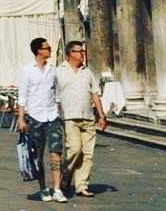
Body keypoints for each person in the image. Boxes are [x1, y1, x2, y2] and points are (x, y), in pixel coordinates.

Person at [17, 37, 65, 203]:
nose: (50, 50)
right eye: (47, 47)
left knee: (56, 153)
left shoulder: (53, 70)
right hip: (36, 116)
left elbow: (57, 93)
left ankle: (57, 188)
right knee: (37, 155)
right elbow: (22, 96)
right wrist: (21, 118)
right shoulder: (27, 70)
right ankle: (43, 188)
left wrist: (59, 113)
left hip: (52, 116)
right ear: (39, 50)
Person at [57, 40, 106, 196]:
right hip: (69, 117)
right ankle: (65, 174)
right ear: (70, 53)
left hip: (88, 116)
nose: (82, 54)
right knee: (74, 149)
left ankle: (82, 185)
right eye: (79, 52)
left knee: (88, 153)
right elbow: (54, 96)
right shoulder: (59, 71)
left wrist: (101, 115)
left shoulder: (87, 72)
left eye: (83, 52)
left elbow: (95, 94)